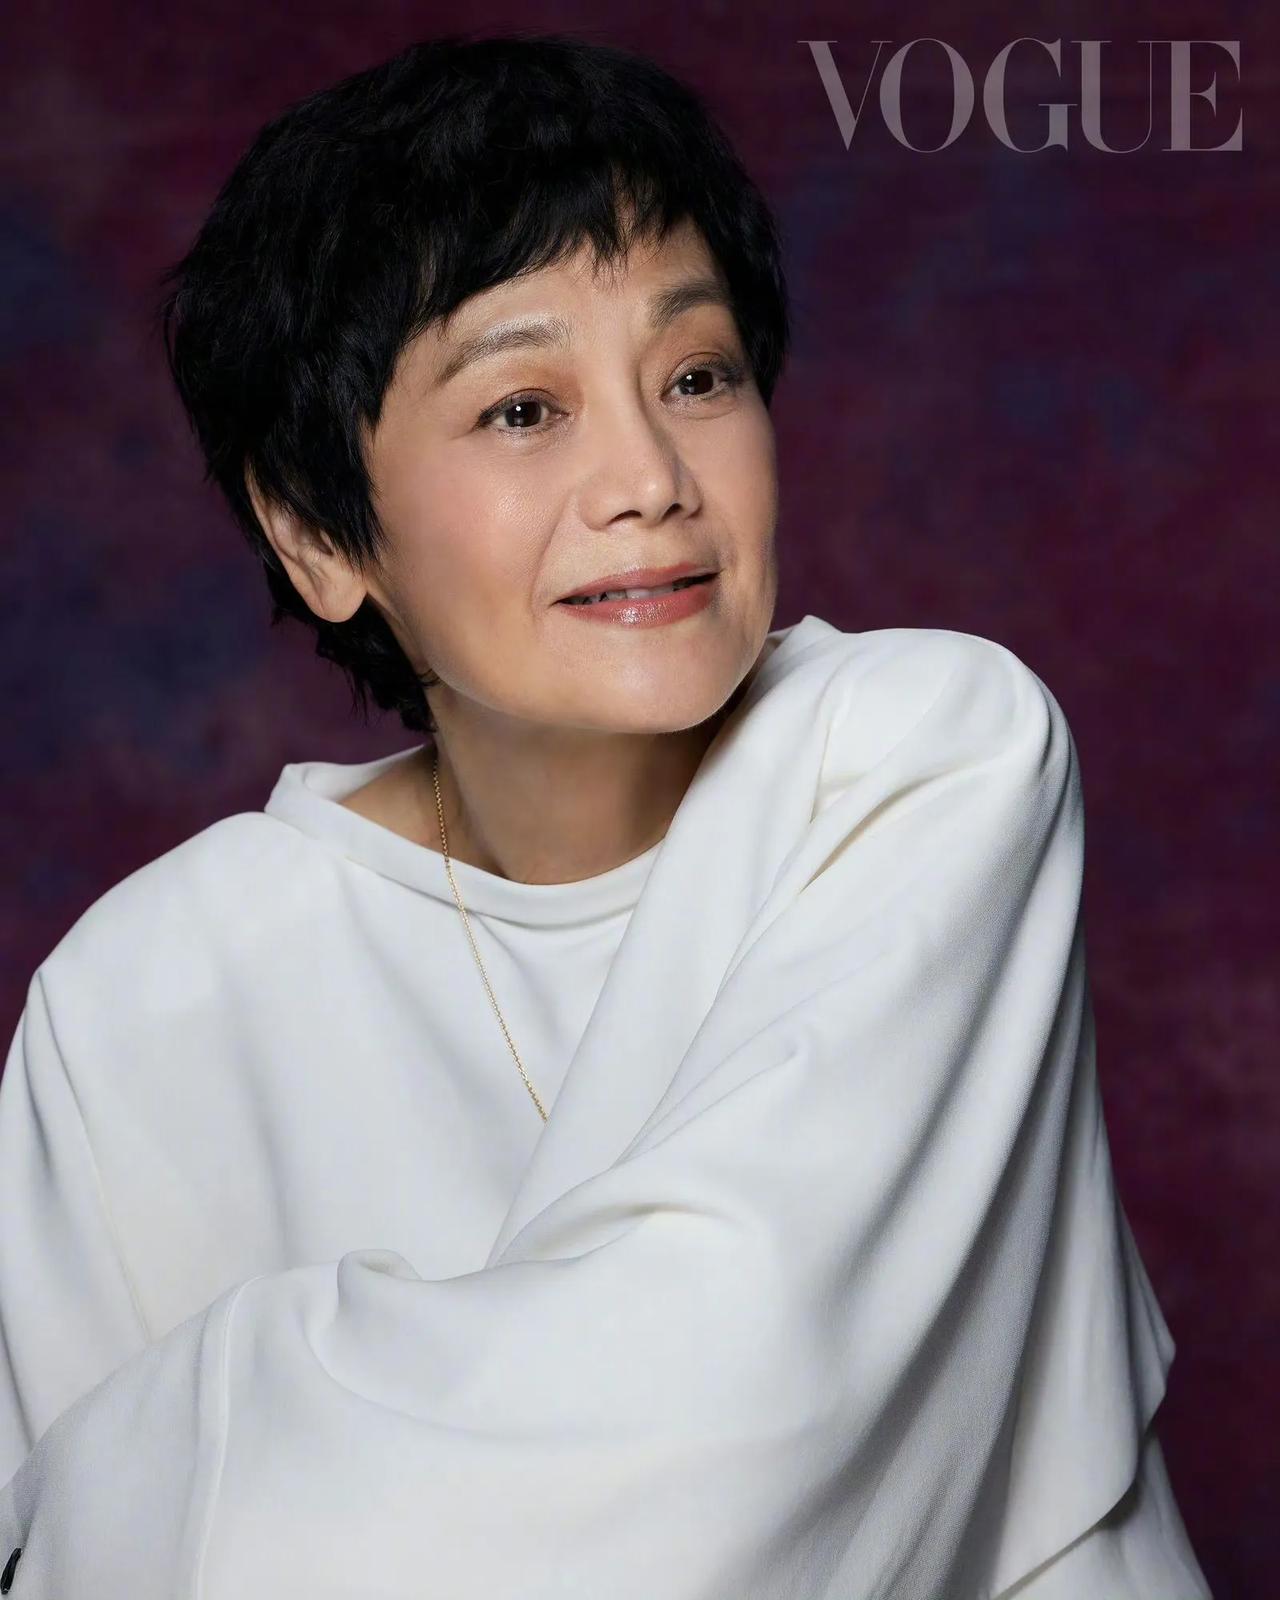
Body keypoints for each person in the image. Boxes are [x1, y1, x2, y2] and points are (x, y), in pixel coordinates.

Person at [0, 31, 1212, 1599]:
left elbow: (735, 1438)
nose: (649, 477)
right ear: (314, 531)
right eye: (524, 408)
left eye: (696, 378)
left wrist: (192, 1431)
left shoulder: (931, 757)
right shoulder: (142, 1000)